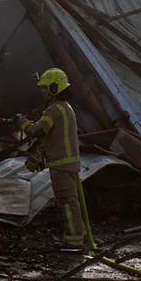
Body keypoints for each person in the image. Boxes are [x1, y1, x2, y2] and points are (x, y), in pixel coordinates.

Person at [16, 67, 96, 251]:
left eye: (45, 88)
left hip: (61, 165)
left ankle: (74, 241)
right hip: (67, 164)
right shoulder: (64, 108)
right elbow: (51, 137)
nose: (43, 92)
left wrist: (21, 122)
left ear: (54, 88)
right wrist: (38, 154)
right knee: (71, 201)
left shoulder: (55, 109)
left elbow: (38, 130)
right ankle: (79, 235)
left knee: (67, 202)